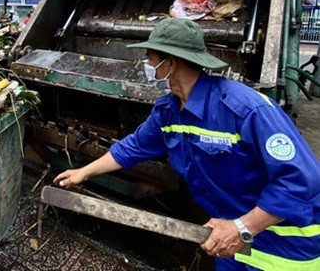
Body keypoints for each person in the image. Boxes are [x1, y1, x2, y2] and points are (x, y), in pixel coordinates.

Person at [54, 18, 320, 270]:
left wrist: (243, 227)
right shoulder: (169, 111)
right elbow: (132, 147)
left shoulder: (246, 110)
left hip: (286, 245)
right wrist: (83, 172)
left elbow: (301, 180)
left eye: (150, 57)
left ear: (170, 63)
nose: (146, 63)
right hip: (229, 238)